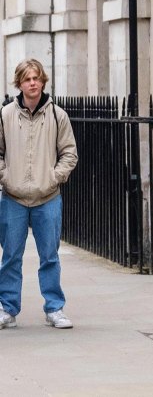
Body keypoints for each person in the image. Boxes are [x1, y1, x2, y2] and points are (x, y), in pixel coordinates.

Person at [0, 59, 78, 329]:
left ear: (43, 81)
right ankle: (7, 309)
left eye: (36, 78)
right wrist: (6, 177)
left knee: (50, 256)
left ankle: (54, 308)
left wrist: (54, 177)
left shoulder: (58, 115)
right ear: (19, 84)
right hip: (13, 198)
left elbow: (69, 153)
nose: (32, 83)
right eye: (27, 79)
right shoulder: (5, 114)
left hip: (48, 198)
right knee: (10, 256)